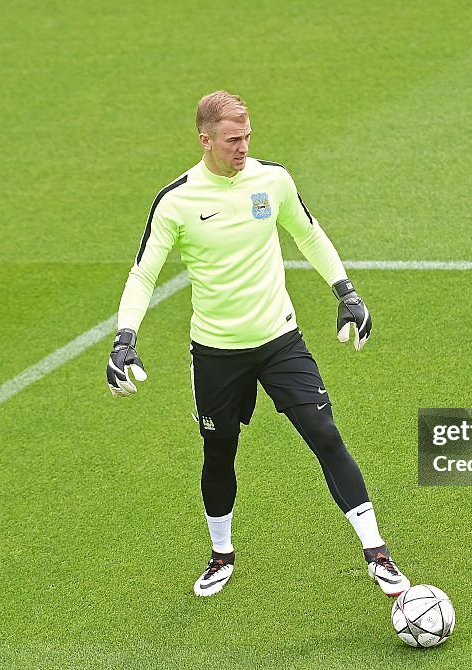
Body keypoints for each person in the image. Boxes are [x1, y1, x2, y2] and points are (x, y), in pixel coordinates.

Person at [106, 91, 409, 598]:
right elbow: (144, 273)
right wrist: (125, 337)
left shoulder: (273, 180)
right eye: (232, 139)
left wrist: (346, 291)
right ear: (205, 140)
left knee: (324, 433)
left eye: (247, 136)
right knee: (220, 452)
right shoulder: (177, 200)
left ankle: (376, 552)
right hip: (216, 353)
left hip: (279, 339)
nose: (242, 147)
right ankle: (221, 553)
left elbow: (308, 235)